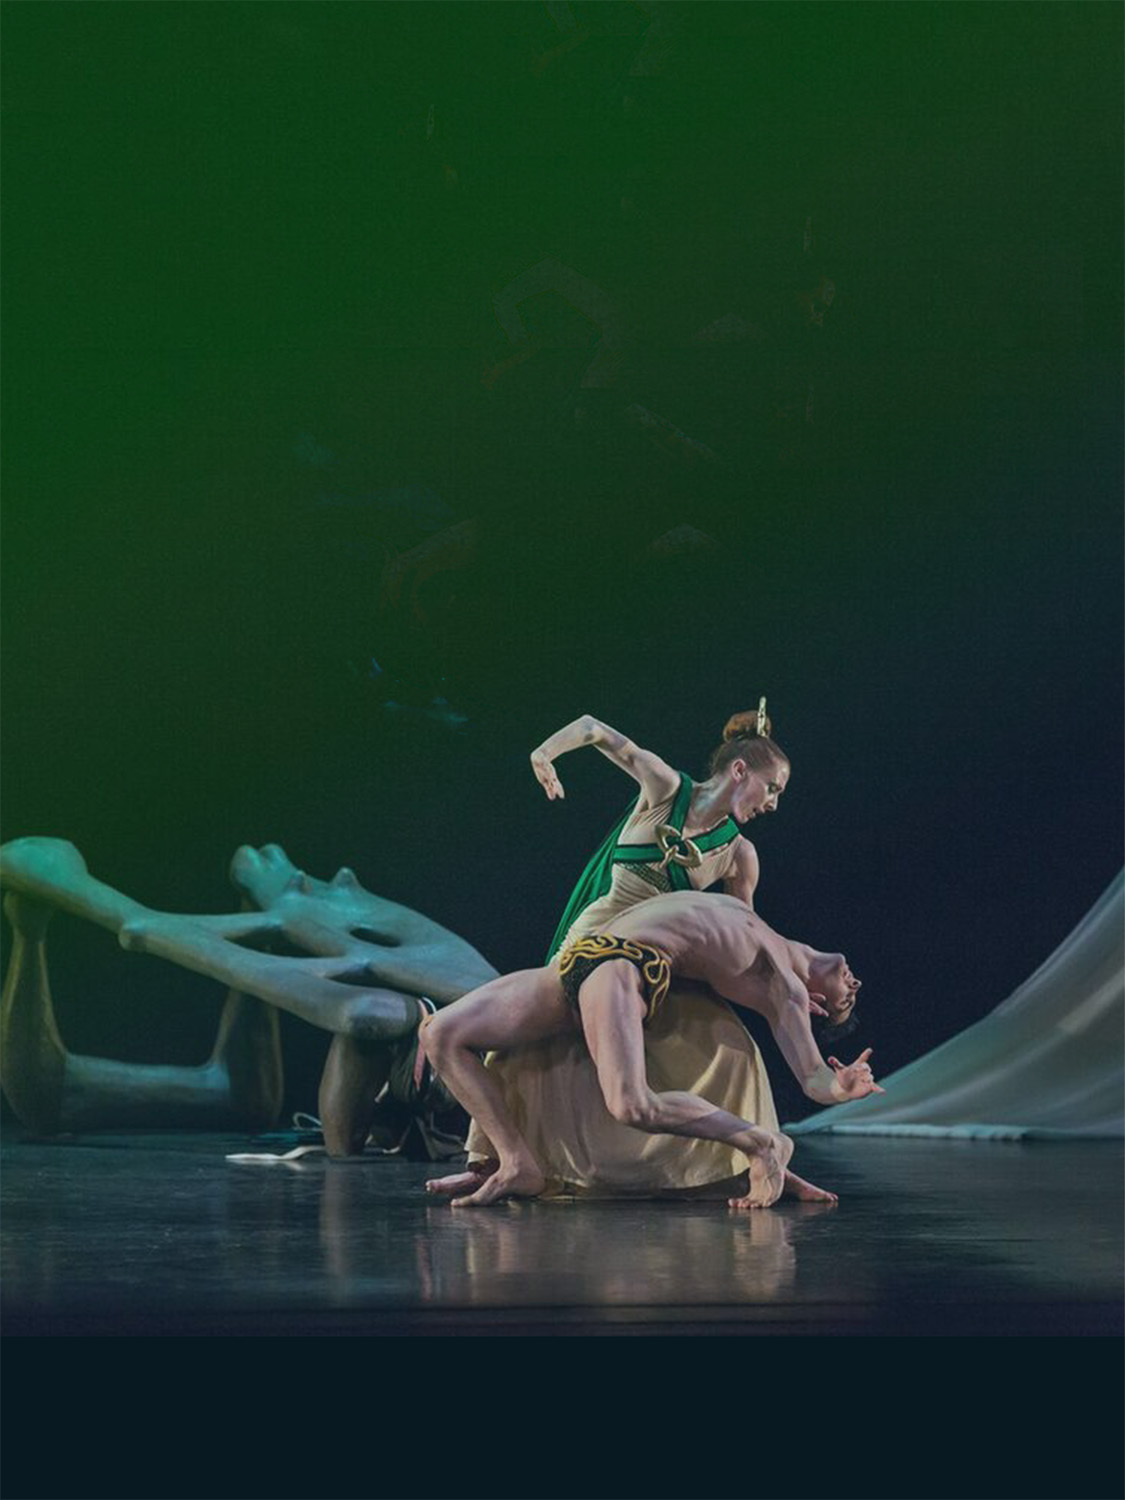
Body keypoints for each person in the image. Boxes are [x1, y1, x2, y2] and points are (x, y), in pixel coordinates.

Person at [451, 703, 837, 1201]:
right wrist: (545, 755)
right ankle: (497, 1162)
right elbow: (594, 729)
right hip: (590, 945)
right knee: (518, 1044)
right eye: (773, 788)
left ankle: (757, 1162)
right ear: (741, 770)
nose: (774, 804)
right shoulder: (664, 789)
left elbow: (747, 933)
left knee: (734, 1051)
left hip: (655, 963)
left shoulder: (739, 854)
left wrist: (789, 982)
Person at [421, 889, 878, 1207]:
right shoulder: (752, 915)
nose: (854, 983)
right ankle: (518, 1163)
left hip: (619, 967)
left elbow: (813, 1078)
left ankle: (760, 1143)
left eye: (848, 1001)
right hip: (581, 958)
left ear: (814, 1001)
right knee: (439, 1033)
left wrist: (841, 1087)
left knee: (630, 1104)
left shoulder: (785, 987)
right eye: (851, 989)